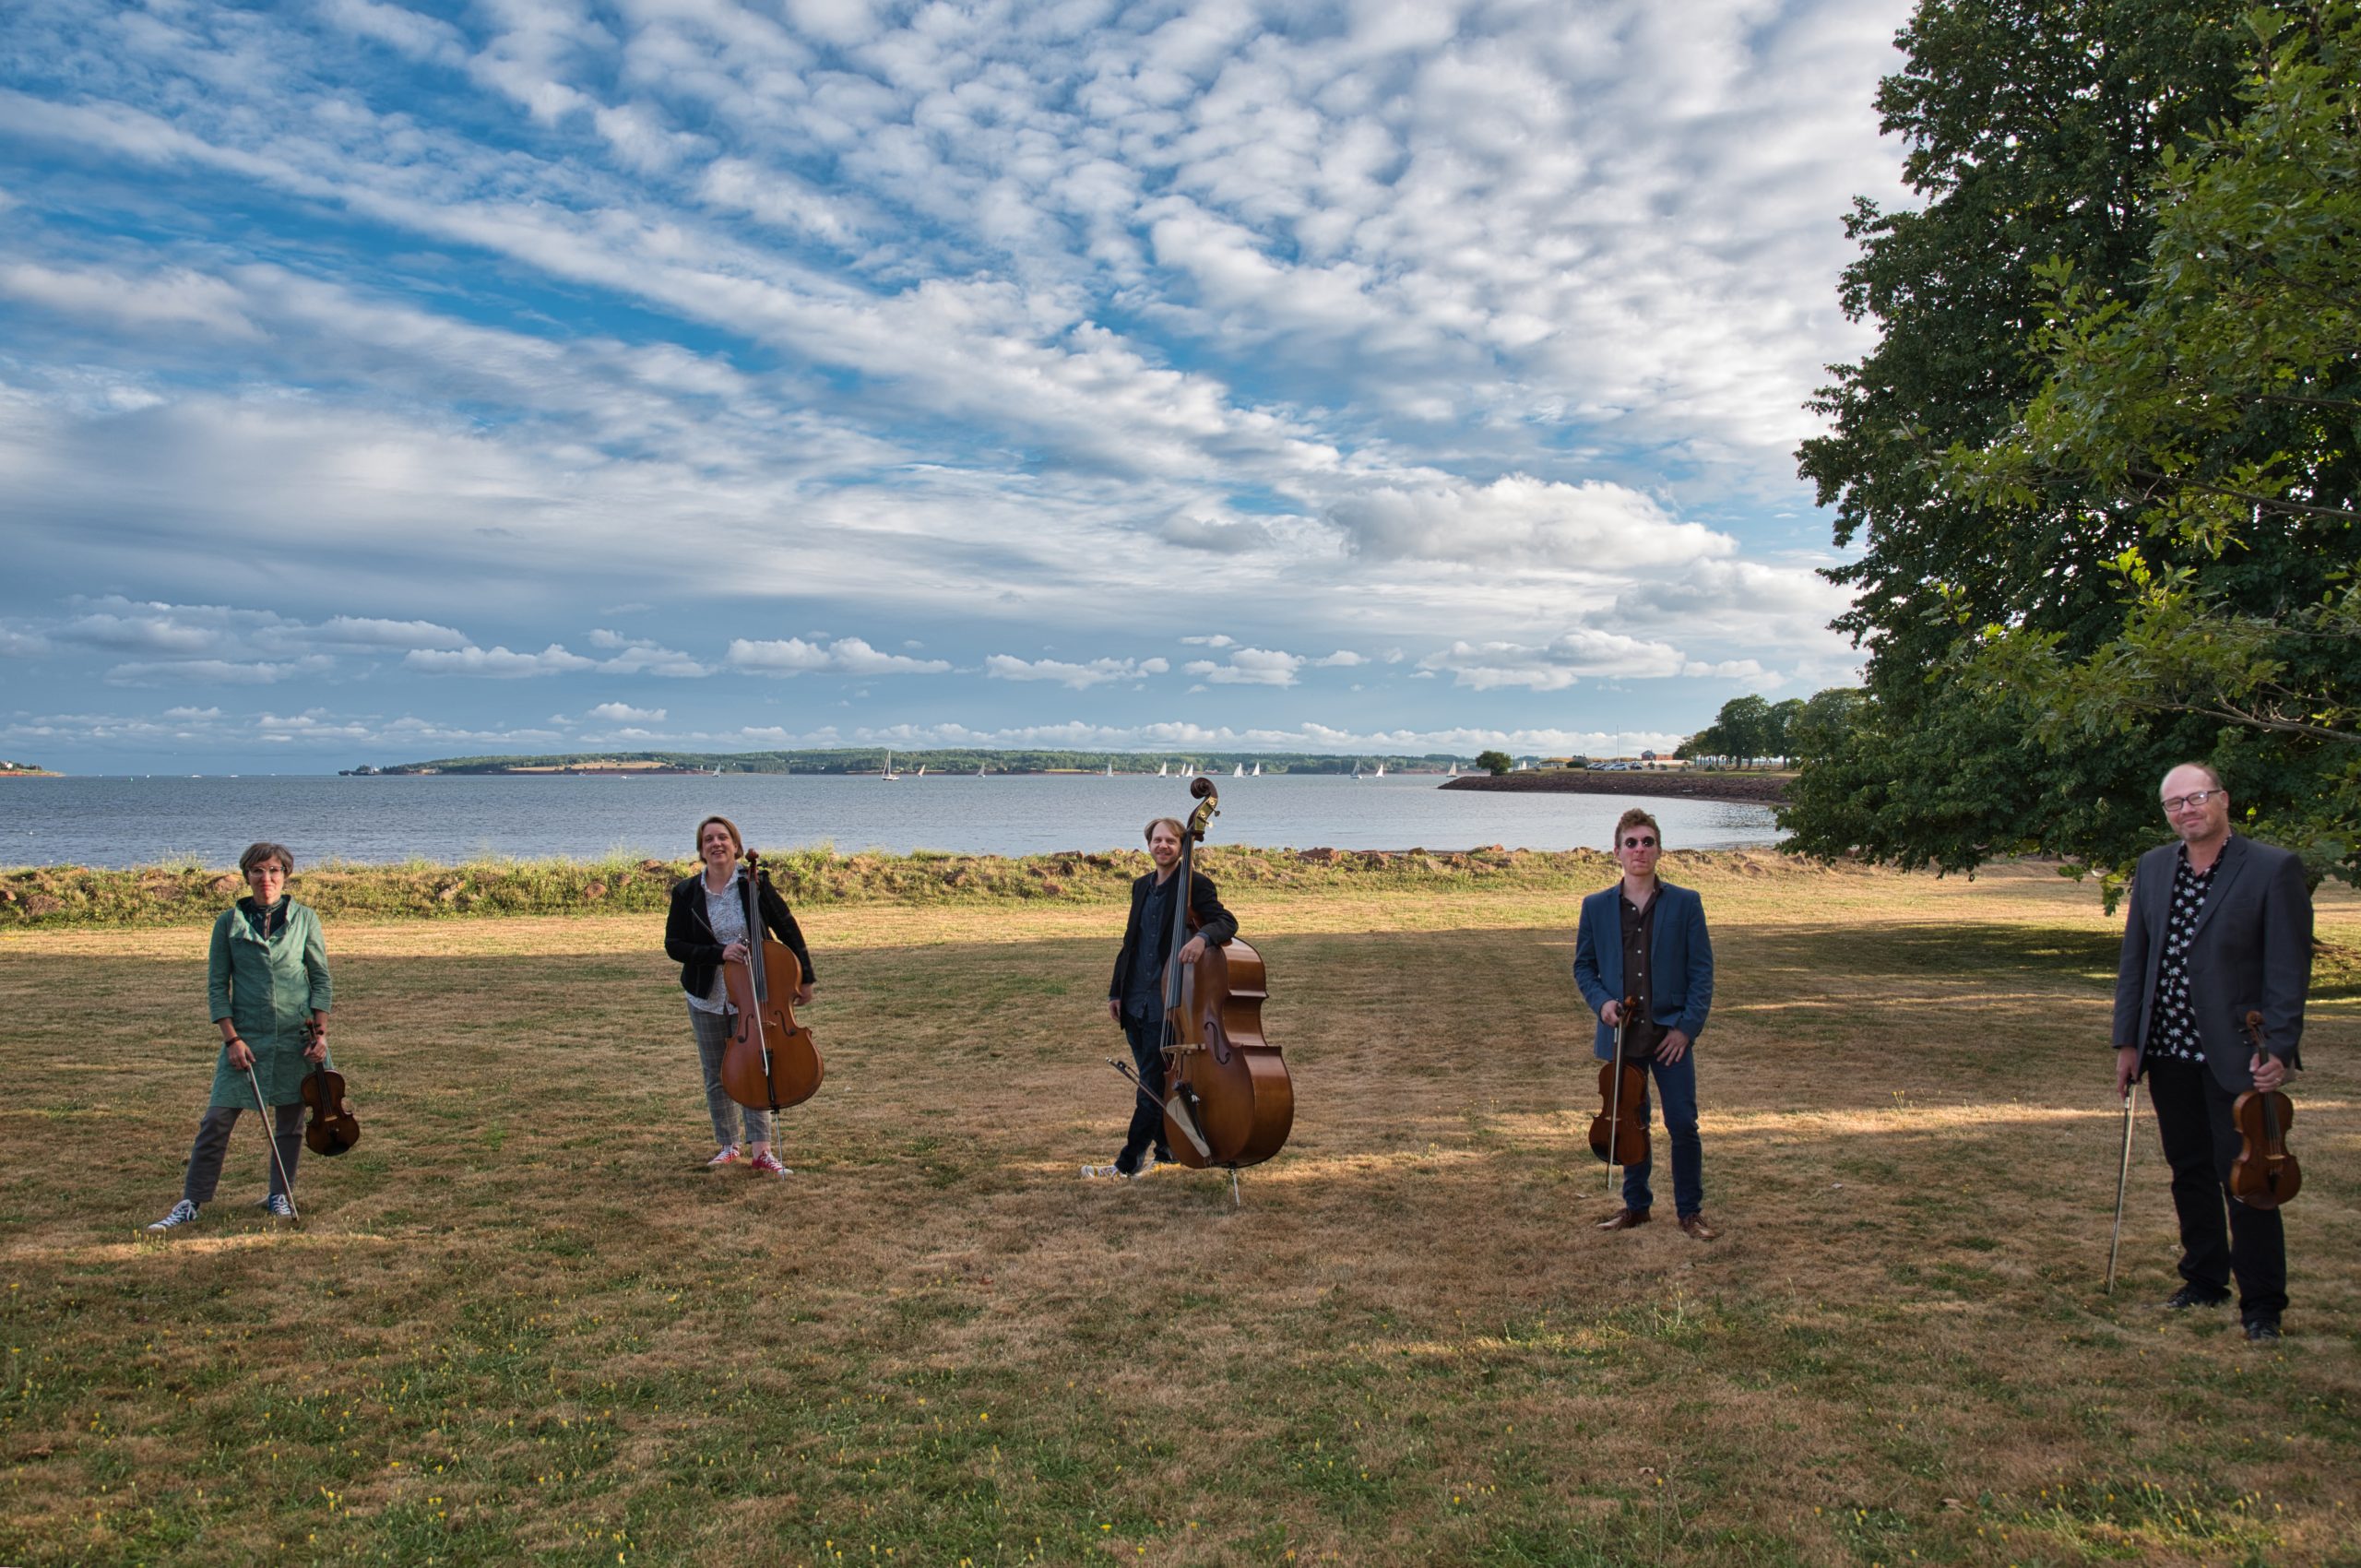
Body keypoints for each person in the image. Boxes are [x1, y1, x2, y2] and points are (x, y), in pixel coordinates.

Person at [2113, 762, 2313, 1341]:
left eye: (2196, 797)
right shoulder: (2153, 868)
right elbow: (2137, 962)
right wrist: (2128, 1041)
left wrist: (2279, 1045)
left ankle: (2262, 1307)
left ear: (2223, 799)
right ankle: (2203, 1279)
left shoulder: (2273, 869)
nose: (2187, 810)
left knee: (2249, 1179)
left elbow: (2286, 968)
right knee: (2189, 1171)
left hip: (2240, 1054)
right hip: (2168, 1048)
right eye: (2174, 803)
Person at [148, 842, 333, 1230]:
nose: (267, 879)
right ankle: (191, 1200)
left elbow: (320, 979)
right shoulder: (227, 923)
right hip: (246, 1038)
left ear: (286, 875)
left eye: (275, 871)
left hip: (297, 1037)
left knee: (290, 1123)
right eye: (258, 871)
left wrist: (321, 1033)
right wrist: (231, 1039)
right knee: (216, 1120)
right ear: (246, 875)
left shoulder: (305, 919)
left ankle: (280, 1195)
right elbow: (218, 987)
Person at [1572, 807, 1717, 1239]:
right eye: (1631, 842)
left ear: (1659, 849)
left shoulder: (1686, 902)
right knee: (1630, 1122)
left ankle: (1690, 1212)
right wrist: (1602, 1005)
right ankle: (1636, 1207)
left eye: (1647, 841)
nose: (1640, 849)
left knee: (1682, 1124)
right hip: (1623, 1037)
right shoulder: (1596, 906)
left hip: (1670, 1036)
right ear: (1616, 852)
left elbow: (1701, 972)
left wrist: (1686, 1029)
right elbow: (1584, 967)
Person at [665, 814, 816, 1178]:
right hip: (707, 995)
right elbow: (674, 945)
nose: (716, 844)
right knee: (717, 1071)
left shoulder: (755, 884)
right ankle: (728, 1144)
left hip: (755, 993)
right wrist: (718, 953)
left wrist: (806, 977)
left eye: (723, 838)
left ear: (735, 844)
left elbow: (787, 928)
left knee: (759, 1064)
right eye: (708, 841)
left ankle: (762, 1150)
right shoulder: (687, 892)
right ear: (701, 851)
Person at [1096, 815, 1237, 1179]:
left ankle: (1126, 1164)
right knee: (1156, 1079)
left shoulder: (1195, 885)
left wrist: (1201, 937)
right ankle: (1169, 1152)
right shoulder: (1141, 886)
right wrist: (1116, 991)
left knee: (1149, 1084)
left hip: (1171, 1004)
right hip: (1135, 999)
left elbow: (1226, 922)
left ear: (1181, 846)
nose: (1163, 846)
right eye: (1157, 840)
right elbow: (1131, 944)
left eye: (1171, 841)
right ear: (1149, 845)